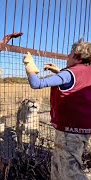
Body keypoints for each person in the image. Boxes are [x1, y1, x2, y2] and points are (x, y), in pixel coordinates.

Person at [22, 39, 91, 180]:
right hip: (83, 130)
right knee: (59, 165)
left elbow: (36, 83)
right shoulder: (86, 72)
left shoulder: (68, 74)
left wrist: (29, 65)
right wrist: (59, 71)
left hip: (68, 131)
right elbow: (77, 83)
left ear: (77, 56)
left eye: (70, 53)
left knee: (70, 172)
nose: (67, 56)